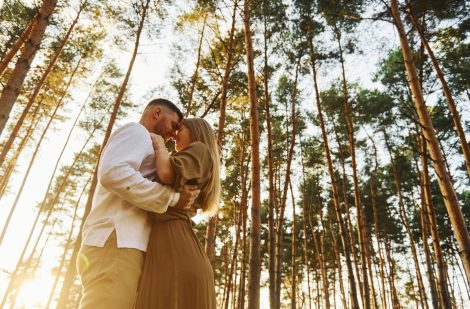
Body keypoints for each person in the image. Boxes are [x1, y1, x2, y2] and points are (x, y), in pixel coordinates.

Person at [77, 99, 200, 309]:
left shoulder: (150, 147)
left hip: (123, 245)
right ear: (157, 112)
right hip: (116, 241)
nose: (173, 135)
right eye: (173, 125)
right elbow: (113, 172)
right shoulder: (137, 132)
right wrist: (171, 199)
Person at [134, 117, 220, 309]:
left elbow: (165, 172)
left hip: (175, 251)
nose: (174, 135)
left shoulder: (199, 149)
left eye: (180, 128)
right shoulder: (193, 161)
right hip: (173, 248)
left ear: (196, 131)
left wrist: (158, 143)